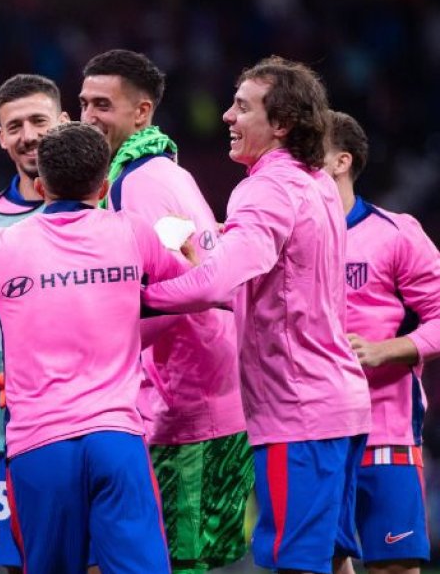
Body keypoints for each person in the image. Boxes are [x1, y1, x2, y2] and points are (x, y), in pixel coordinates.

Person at [142, 57, 372, 574]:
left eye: (242, 107)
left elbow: (217, 283)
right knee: (332, 559)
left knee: (295, 564)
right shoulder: (313, 182)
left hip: (299, 411)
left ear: (282, 124)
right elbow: (270, 282)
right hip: (335, 403)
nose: (227, 116)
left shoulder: (266, 188)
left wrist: (140, 298)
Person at [0, 122, 181, 573]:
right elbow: (188, 296)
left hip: (39, 447)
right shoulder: (132, 232)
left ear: (40, 186)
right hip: (116, 437)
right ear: (103, 187)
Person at [80, 49, 250, 573]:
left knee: (183, 560)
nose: (88, 116)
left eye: (103, 105)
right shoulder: (157, 171)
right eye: (83, 103)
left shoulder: (140, 183)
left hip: (189, 404)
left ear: (142, 113)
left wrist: (103, 351)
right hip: (202, 396)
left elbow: (179, 287)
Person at [323, 111, 440, 574]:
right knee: (325, 562)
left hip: (384, 428)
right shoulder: (283, 238)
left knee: (394, 566)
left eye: (311, 150)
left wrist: (384, 350)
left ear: (341, 161)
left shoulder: (395, 233)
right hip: (313, 430)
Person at [0, 73, 67, 574]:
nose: (29, 135)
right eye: (15, 126)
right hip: (12, 425)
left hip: (99, 416)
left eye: (39, 121)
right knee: (20, 562)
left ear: (63, 122)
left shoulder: (106, 207)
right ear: (1, 137)